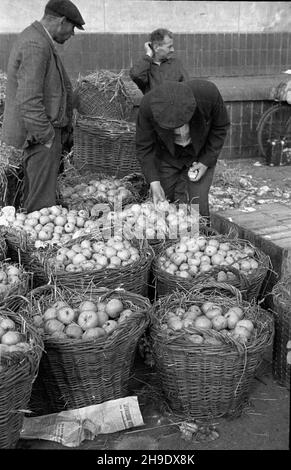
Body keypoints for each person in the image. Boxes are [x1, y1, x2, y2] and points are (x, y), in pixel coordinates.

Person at [1, 0, 85, 213]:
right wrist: (47, 137)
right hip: (38, 137)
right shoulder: (36, 44)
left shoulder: (39, 39)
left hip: (40, 136)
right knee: (40, 208)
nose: (72, 33)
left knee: (38, 202)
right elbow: (29, 100)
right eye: (72, 27)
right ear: (62, 21)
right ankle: (38, 247)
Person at [135, 80, 230, 223]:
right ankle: (167, 242)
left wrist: (205, 162)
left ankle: (201, 236)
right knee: (161, 207)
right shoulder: (148, 105)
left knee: (198, 208)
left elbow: (220, 127)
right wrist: (154, 182)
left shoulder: (207, 93)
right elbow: (144, 147)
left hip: (200, 153)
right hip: (167, 155)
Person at [129, 28, 189, 95]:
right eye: (169, 47)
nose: (172, 50)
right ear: (156, 47)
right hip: (153, 104)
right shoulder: (146, 67)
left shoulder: (176, 64)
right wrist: (148, 54)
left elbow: (188, 87)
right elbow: (136, 75)